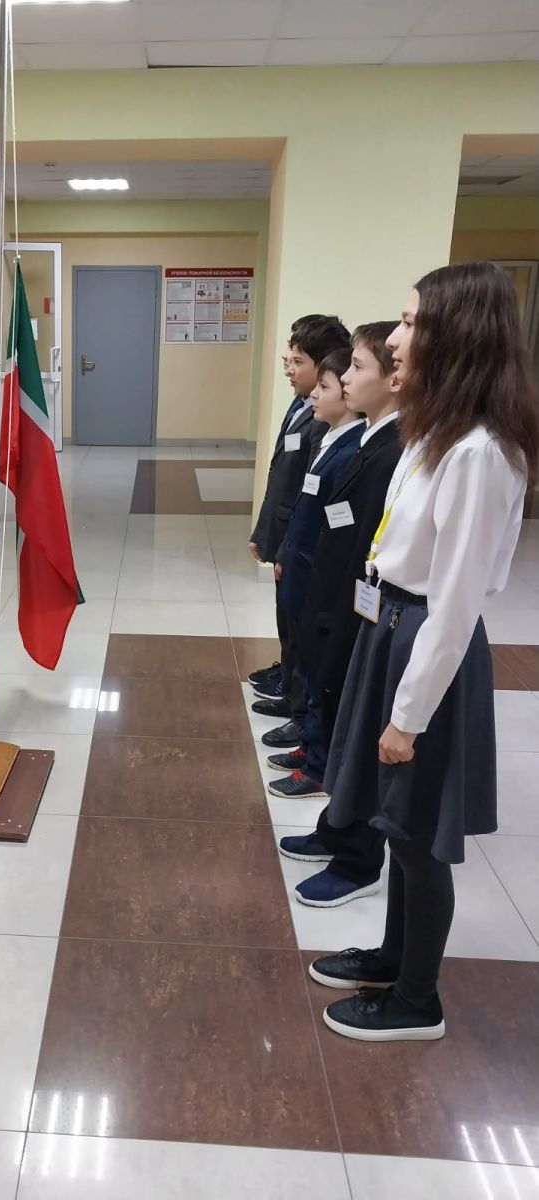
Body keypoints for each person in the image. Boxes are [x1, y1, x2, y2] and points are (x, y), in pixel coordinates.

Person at [310, 262, 539, 1042]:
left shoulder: (480, 453)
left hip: (427, 644)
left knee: (416, 835)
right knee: (394, 819)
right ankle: (390, 956)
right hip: (395, 631)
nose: (398, 337)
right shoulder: (435, 431)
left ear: (457, 333)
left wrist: (407, 717)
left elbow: (457, 602)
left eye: (411, 322)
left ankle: (417, 1000)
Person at [275, 323, 403, 906]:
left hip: (365, 607)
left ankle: (356, 855)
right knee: (343, 718)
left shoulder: (394, 449)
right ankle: (337, 828)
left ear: (394, 379)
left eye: (356, 367)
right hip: (336, 600)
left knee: (360, 731)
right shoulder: (373, 439)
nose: (345, 378)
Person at [249, 315, 351, 753]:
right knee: (288, 620)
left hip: (302, 542)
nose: (289, 370)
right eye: (287, 361)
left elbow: (311, 492)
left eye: (298, 362)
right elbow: (282, 476)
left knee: (301, 627)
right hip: (286, 532)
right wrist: (266, 533)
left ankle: (301, 706)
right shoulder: (300, 405)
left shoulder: (326, 421)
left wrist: (287, 547)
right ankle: (290, 683)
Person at [268, 345, 365, 784]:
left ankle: (316, 754)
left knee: (318, 667)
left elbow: (335, 523)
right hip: (300, 562)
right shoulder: (327, 439)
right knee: (302, 651)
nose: (313, 396)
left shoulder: (351, 451)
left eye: (324, 387)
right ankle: (308, 737)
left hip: (317, 573)